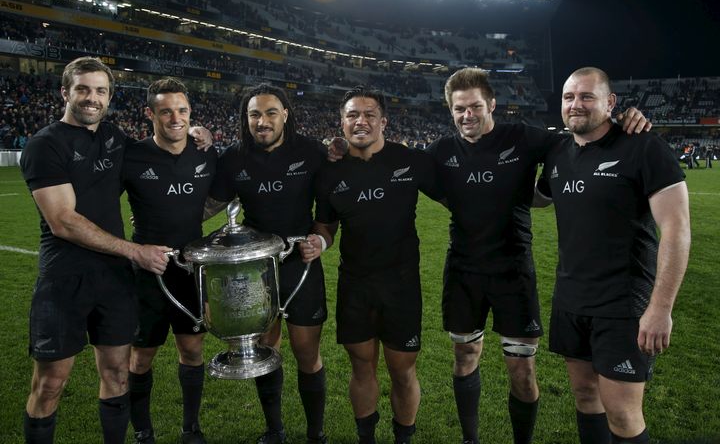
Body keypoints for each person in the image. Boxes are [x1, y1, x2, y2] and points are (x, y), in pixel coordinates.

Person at [423, 67, 650, 444]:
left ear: (492, 104)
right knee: (464, 357)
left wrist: (624, 119)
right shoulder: (440, 153)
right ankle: (470, 439)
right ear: (450, 110)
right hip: (463, 272)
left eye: (475, 106)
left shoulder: (526, 138)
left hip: (514, 272)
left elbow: (583, 135)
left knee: (522, 372)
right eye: (459, 108)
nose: (468, 115)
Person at [19, 57, 171, 444]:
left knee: (117, 374)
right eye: (83, 89)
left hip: (114, 280)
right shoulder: (44, 145)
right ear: (65, 92)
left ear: (109, 97)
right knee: (50, 384)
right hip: (64, 278)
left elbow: (158, 153)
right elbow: (63, 220)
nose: (92, 98)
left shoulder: (116, 139)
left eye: (100, 91)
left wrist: (198, 132)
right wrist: (134, 251)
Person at [536, 67, 690, 444]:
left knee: (622, 413)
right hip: (571, 300)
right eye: (569, 97)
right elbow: (534, 198)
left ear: (611, 103)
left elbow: (677, 230)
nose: (576, 104)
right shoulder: (557, 152)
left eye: (587, 96)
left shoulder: (643, 146)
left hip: (623, 303)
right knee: (586, 397)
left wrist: (660, 308)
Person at [301, 87, 442, 444]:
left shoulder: (409, 161)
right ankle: (367, 439)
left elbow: (454, 193)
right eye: (352, 115)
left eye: (368, 115)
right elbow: (326, 226)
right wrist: (319, 241)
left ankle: (402, 439)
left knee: (402, 370)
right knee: (361, 368)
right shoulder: (329, 174)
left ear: (383, 122)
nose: (360, 121)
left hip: (402, 285)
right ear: (342, 123)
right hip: (356, 286)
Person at [204, 83, 329, 444]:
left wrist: (320, 240)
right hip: (255, 269)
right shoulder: (233, 158)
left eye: (271, 112)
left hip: (299, 265)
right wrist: (158, 217)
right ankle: (274, 430)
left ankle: (316, 434)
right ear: (246, 118)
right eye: (255, 114)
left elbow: (329, 211)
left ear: (285, 114)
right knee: (265, 349)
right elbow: (210, 204)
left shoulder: (311, 152)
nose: (263, 121)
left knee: (307, 352)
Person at [122, 77, 217, 444]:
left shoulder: (206, 153)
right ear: (150, 114)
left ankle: (190, 427)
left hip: (190, 271)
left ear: (190, 112)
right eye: (166, 111)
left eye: (182, 111)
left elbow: (224, 195)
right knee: (141, 357)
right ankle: (143, 431)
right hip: (147, 271)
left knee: (192, 350)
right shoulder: (132, 156)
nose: (175, 118)